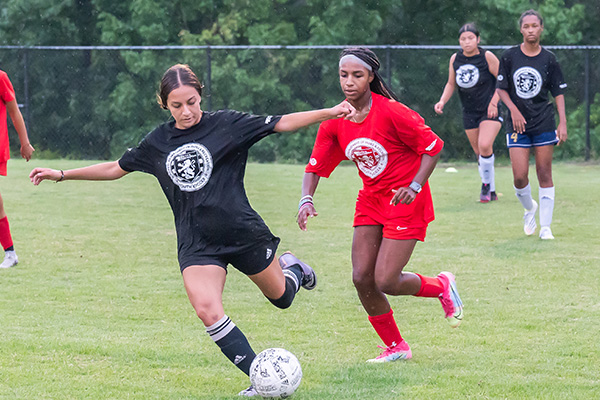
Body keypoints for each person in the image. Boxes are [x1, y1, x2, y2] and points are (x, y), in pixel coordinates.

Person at [30, 64, 355, 397]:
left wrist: (330, 112)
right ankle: (261, 379)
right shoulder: (158, 141)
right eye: (177, 105)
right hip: (197, 244)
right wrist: (62, 173)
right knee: (207, 310)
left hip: (242, 233)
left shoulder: (227, 125)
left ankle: (294, 269)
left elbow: (280, 122)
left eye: (192, 102)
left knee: (282, 298)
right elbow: (115, 167)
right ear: (164, 105)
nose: (186, 111)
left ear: (201, 96)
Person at [297, 47, 463, 363]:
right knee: (362, 277)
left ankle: (441, 286)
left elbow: (433, 147)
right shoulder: (335, 120)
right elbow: (315, 165)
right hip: (371, 200)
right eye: (343, 75)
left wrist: (415, 186)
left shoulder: (393, 112)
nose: (349, 82)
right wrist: (307, 199)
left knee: (386, 279)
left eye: (357, 75)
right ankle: (397, 347)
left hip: (405, 199)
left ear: (370, 77)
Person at [496, 10, 567, 240]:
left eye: (534, 26)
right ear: (521, 29)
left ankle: (545, 227)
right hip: (517, 125)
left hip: (544, 121)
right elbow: (501, 89)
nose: (530, 30)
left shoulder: (549, 59)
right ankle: (530, 209)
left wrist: (562, 123)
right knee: (519, 177)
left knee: (544, 172)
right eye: (526, 26)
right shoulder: (509, 56)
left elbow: (558, 93)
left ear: (541, 28)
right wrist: (513, 109)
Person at [434, 23, 502, 203]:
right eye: (463, 39)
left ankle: (485, 187)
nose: (467, 42)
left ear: (478, 39)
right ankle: (492, 190)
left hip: (490, 110)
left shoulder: (486, 56)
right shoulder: (455, 59)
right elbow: (451, 84)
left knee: (485, 144)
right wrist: (442, 101)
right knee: (480, 152)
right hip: (469, 111)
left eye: (471, 38)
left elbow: (503, 80)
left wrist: (494, 102)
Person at [0, 68, 35, 269]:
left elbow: (14, 111)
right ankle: (10, 253)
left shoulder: (1, 78)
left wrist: (25, 143)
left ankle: (10, 253)